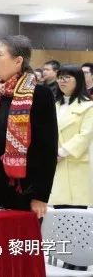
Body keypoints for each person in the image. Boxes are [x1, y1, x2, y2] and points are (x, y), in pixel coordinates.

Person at [0, 35, 58, 219]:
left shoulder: (40, 95)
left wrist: (40, 196)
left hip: (25, 189)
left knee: (19, 236)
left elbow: (47, 149)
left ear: (18, 61)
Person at [49, 65, 93, 209]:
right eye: (60, 77)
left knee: (76, 209)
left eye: (67, 77)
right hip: (54, 163)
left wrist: (62, 152)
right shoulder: (53, 105)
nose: (62, 81)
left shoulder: (89, 106)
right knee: (56, 208)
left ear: (78, 80)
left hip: (76, 163)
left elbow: (85, 135)